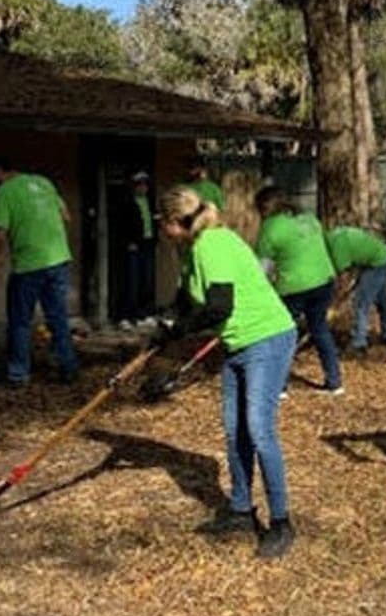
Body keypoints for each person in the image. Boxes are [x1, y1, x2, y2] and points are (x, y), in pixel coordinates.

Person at [157, 186, 298, 559]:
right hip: (238, 344)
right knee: (235, 429)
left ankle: (282, 522)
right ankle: (240, 510)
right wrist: (166, 326)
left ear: (176, 222)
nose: (162, 231)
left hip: (267, 338)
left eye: (163, 224)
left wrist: (180, 330)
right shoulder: (192, 249)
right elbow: (188, 299)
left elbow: (218, 307)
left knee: (258, 429)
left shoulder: (213, 245)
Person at [0, 156, 79, 386]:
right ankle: (68, 368)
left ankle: (18, 374)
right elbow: (66, 217)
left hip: (28, 265)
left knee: (20, 320)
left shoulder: (4, 193)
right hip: (58, 259)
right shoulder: (43, 183)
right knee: (58, 317)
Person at [254, 186, 343, 395]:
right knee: (320, 330)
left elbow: (263, 268)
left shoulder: (270, 227)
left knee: (283, 334)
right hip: (324, 280)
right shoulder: (310, 218)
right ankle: (335, 381)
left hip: (294, 287)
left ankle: (280, 385)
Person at [325, 224, 386, 352]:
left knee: (361, 302)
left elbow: (343, 281)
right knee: (382, 299)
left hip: (377, 263)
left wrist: (333, 305)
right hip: (385, 255)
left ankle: (359, 342)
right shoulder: (332, 238)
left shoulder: (337, 249)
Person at [115, 170, 157, 328]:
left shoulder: (149, 201)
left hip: (147, 243)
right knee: (131, 281)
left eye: (145, 184)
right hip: (133, 245)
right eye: (139, 184)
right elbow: (121, 224)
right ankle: (125, 316)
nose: (143, 188)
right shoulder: (127, 202)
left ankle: (143, 315)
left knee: (146, 281)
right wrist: (128, 242)